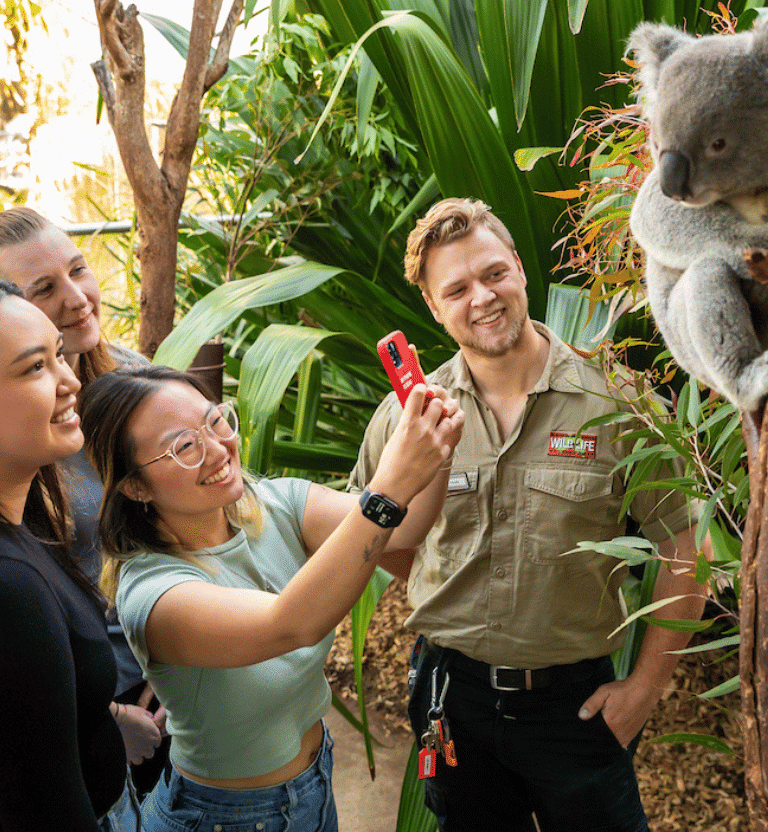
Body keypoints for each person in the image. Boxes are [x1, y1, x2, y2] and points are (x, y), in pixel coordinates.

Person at [349, 197, 708, 832]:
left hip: (578, 709)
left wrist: (644, 689)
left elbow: (687, 542)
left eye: (492, 273)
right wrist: (447, 590)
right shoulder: (409, 420)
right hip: (451, 701)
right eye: (456, 288)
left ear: (518, 268)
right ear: (433, 308)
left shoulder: (618, 403)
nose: (481, 298)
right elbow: (374, 539)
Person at [78, 363, 463, 832]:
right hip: (222, 817)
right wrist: (389, 488)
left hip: (315, 782)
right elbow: (292, 622)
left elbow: (405, 526)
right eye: (183, 447)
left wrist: (438, 447)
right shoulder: (154, 595)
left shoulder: (273, 504)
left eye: (215, 421)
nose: (218, 448)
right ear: (134, 486)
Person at [0, 206, 166, 801]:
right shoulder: (23, 446)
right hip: (83, 700)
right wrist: (100, 719)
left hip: (173, 664)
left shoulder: (133, 378)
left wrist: (183, 667)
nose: (78, 298)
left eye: (79, 270)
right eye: (44, 288)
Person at [0, 280, 126, 830]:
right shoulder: (10, 587)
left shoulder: (27, 527)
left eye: (58, 355)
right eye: (34, 368)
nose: (70, 381)